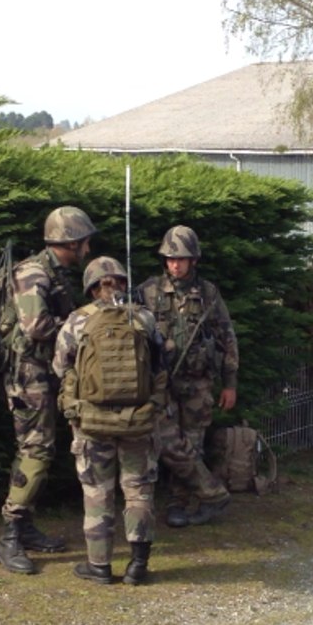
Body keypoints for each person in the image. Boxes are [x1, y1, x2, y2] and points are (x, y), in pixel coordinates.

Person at [0, 205, 96, 575]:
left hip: (43, 374)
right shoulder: (34, 273)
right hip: (29, 376)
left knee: (42, 450)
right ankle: (10, 537)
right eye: (83, 243)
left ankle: (25, 527)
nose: (87, 250)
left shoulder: (54, 272)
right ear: (69, 242)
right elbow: (36, 326)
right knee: (35, 451)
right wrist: (79, 324)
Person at [53, 257, 161, 585]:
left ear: (91, 287)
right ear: (123, 283)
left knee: (97, 492)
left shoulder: (77, 321)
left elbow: (60, 366)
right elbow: (161, 362)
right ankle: (138, 565)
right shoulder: (143, 318)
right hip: (137, 420)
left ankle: (99, 566)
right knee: (138, 490)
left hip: (91, 420)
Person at [135, 225, 238, 528]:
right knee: (167, 443)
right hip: (162, 383)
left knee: (193, 444)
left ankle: (187, 503)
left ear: (194, 260)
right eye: (169, 259)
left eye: (180, 258)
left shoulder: (207, 293)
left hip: (197, 384)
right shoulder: (148, 291)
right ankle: (203, 496)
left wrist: (230, 383)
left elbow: (227, 338)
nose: (175, 265)